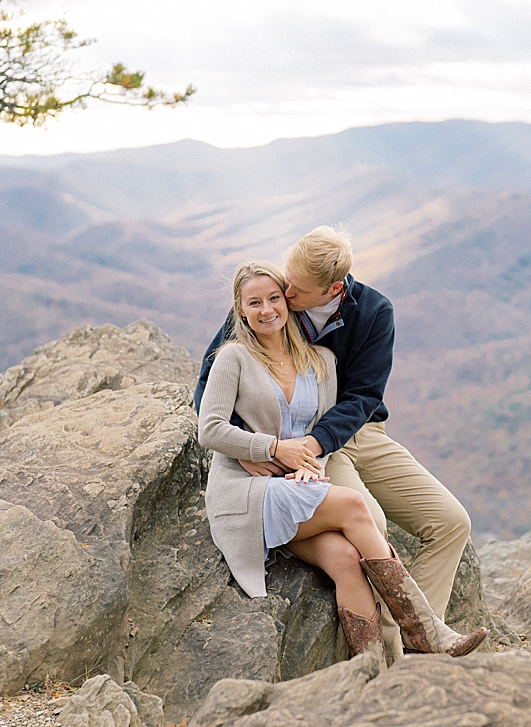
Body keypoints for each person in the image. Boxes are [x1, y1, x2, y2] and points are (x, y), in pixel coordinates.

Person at [195, 227, 476, 663]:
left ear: (334, 289)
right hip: (291, 447)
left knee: (452, 522)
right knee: (368, 521)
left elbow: (364, 396)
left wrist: (313, 444)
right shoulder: (264, 303)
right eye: (284, 282)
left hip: (352, 432)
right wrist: (251, 448)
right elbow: (209, 385)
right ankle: (392, 653)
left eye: (293, 290)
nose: (282, 295)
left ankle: (421, 639)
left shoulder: (374, 312)